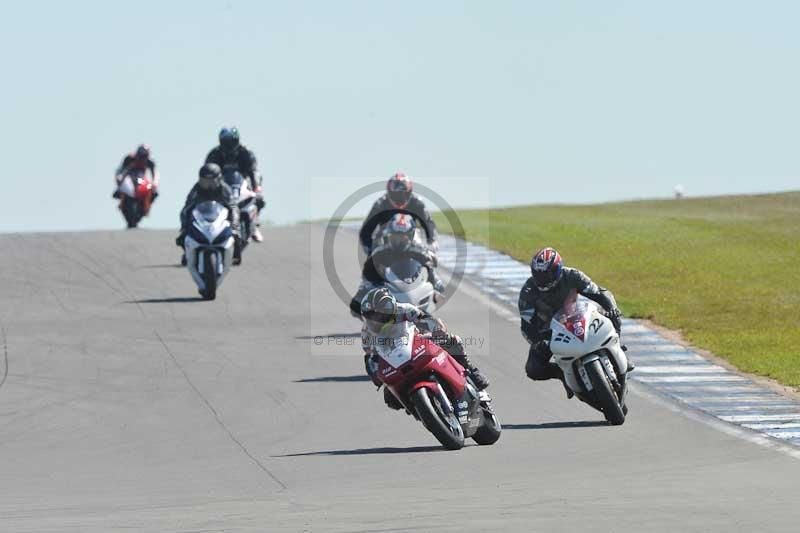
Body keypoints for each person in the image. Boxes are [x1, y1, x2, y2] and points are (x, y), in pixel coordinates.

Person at [360, 288, 489, 411]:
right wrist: (375, 376)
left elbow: (427, 320)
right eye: (371, 317)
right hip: (393, 358)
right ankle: (419, 408)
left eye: (380, 315)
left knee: (452, 341)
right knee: (390, 398)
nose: (376, 320)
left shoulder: (404, 309)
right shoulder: (366, 332)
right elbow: (370, 357)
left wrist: (438, 331)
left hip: (415, 343)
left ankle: (470, 371)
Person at [518, 247, 626, 395]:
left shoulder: (572, 275)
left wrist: (612, 308)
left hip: (577, 318)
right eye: (538, 275)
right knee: (533, 369)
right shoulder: (528, 291)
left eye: (546, 274)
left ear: (557, 269)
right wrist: (537, 342)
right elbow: (526, 326)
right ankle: (561, 373)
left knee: (612, 317)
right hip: (549, 334)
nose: (542, 279)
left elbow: (600, 293)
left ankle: (616, 348)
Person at [349, 214, 443, 315]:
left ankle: (423, 315)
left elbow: (432, 270)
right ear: (389, 236)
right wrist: (367, 289)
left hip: (411, 290)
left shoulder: (419, 252)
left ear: (410, 236)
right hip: (387, 293)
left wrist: (435, 284)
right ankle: (372, 323)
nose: (398, 241)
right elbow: (366, 277)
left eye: (402, 237)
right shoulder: (380, 253)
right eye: (395, 237)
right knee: (356, 305)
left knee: (437, 289)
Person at [205, 127, 264, 242]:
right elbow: (207, 171)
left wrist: (257, 188)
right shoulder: (215, 154)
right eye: (226, 142)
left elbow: (254, 171)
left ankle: (255, 225)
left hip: (243, 183)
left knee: (260, 199)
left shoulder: (245, 153)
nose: (229, 145)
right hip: (222, 185)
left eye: (231, 141)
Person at [175, 163, 241, 263]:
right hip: (202, 219)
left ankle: (235, 254)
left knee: (236, 234)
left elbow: (233, 207)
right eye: (204, 182)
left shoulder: (224, 189)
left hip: (221, 219)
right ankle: (189, 253)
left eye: (211, 182)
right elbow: (186, 208)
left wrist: (234, 225)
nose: (208, 186)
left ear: (218, 180)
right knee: (183, 237)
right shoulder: (196, 189)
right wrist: (184, 226)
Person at [358, 172, 438, 255]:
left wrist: (432, 240)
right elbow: (366, 229)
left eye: (403, 194)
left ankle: (427, 267)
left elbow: (428, 222)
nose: (400, 198)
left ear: (409, 193)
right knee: (370, 262)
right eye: (396, 195)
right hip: (384, 239)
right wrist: (369, 247)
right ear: (389, 193)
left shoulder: (417, 203)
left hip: (412, 238)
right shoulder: (380, 204)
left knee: (428, 257)